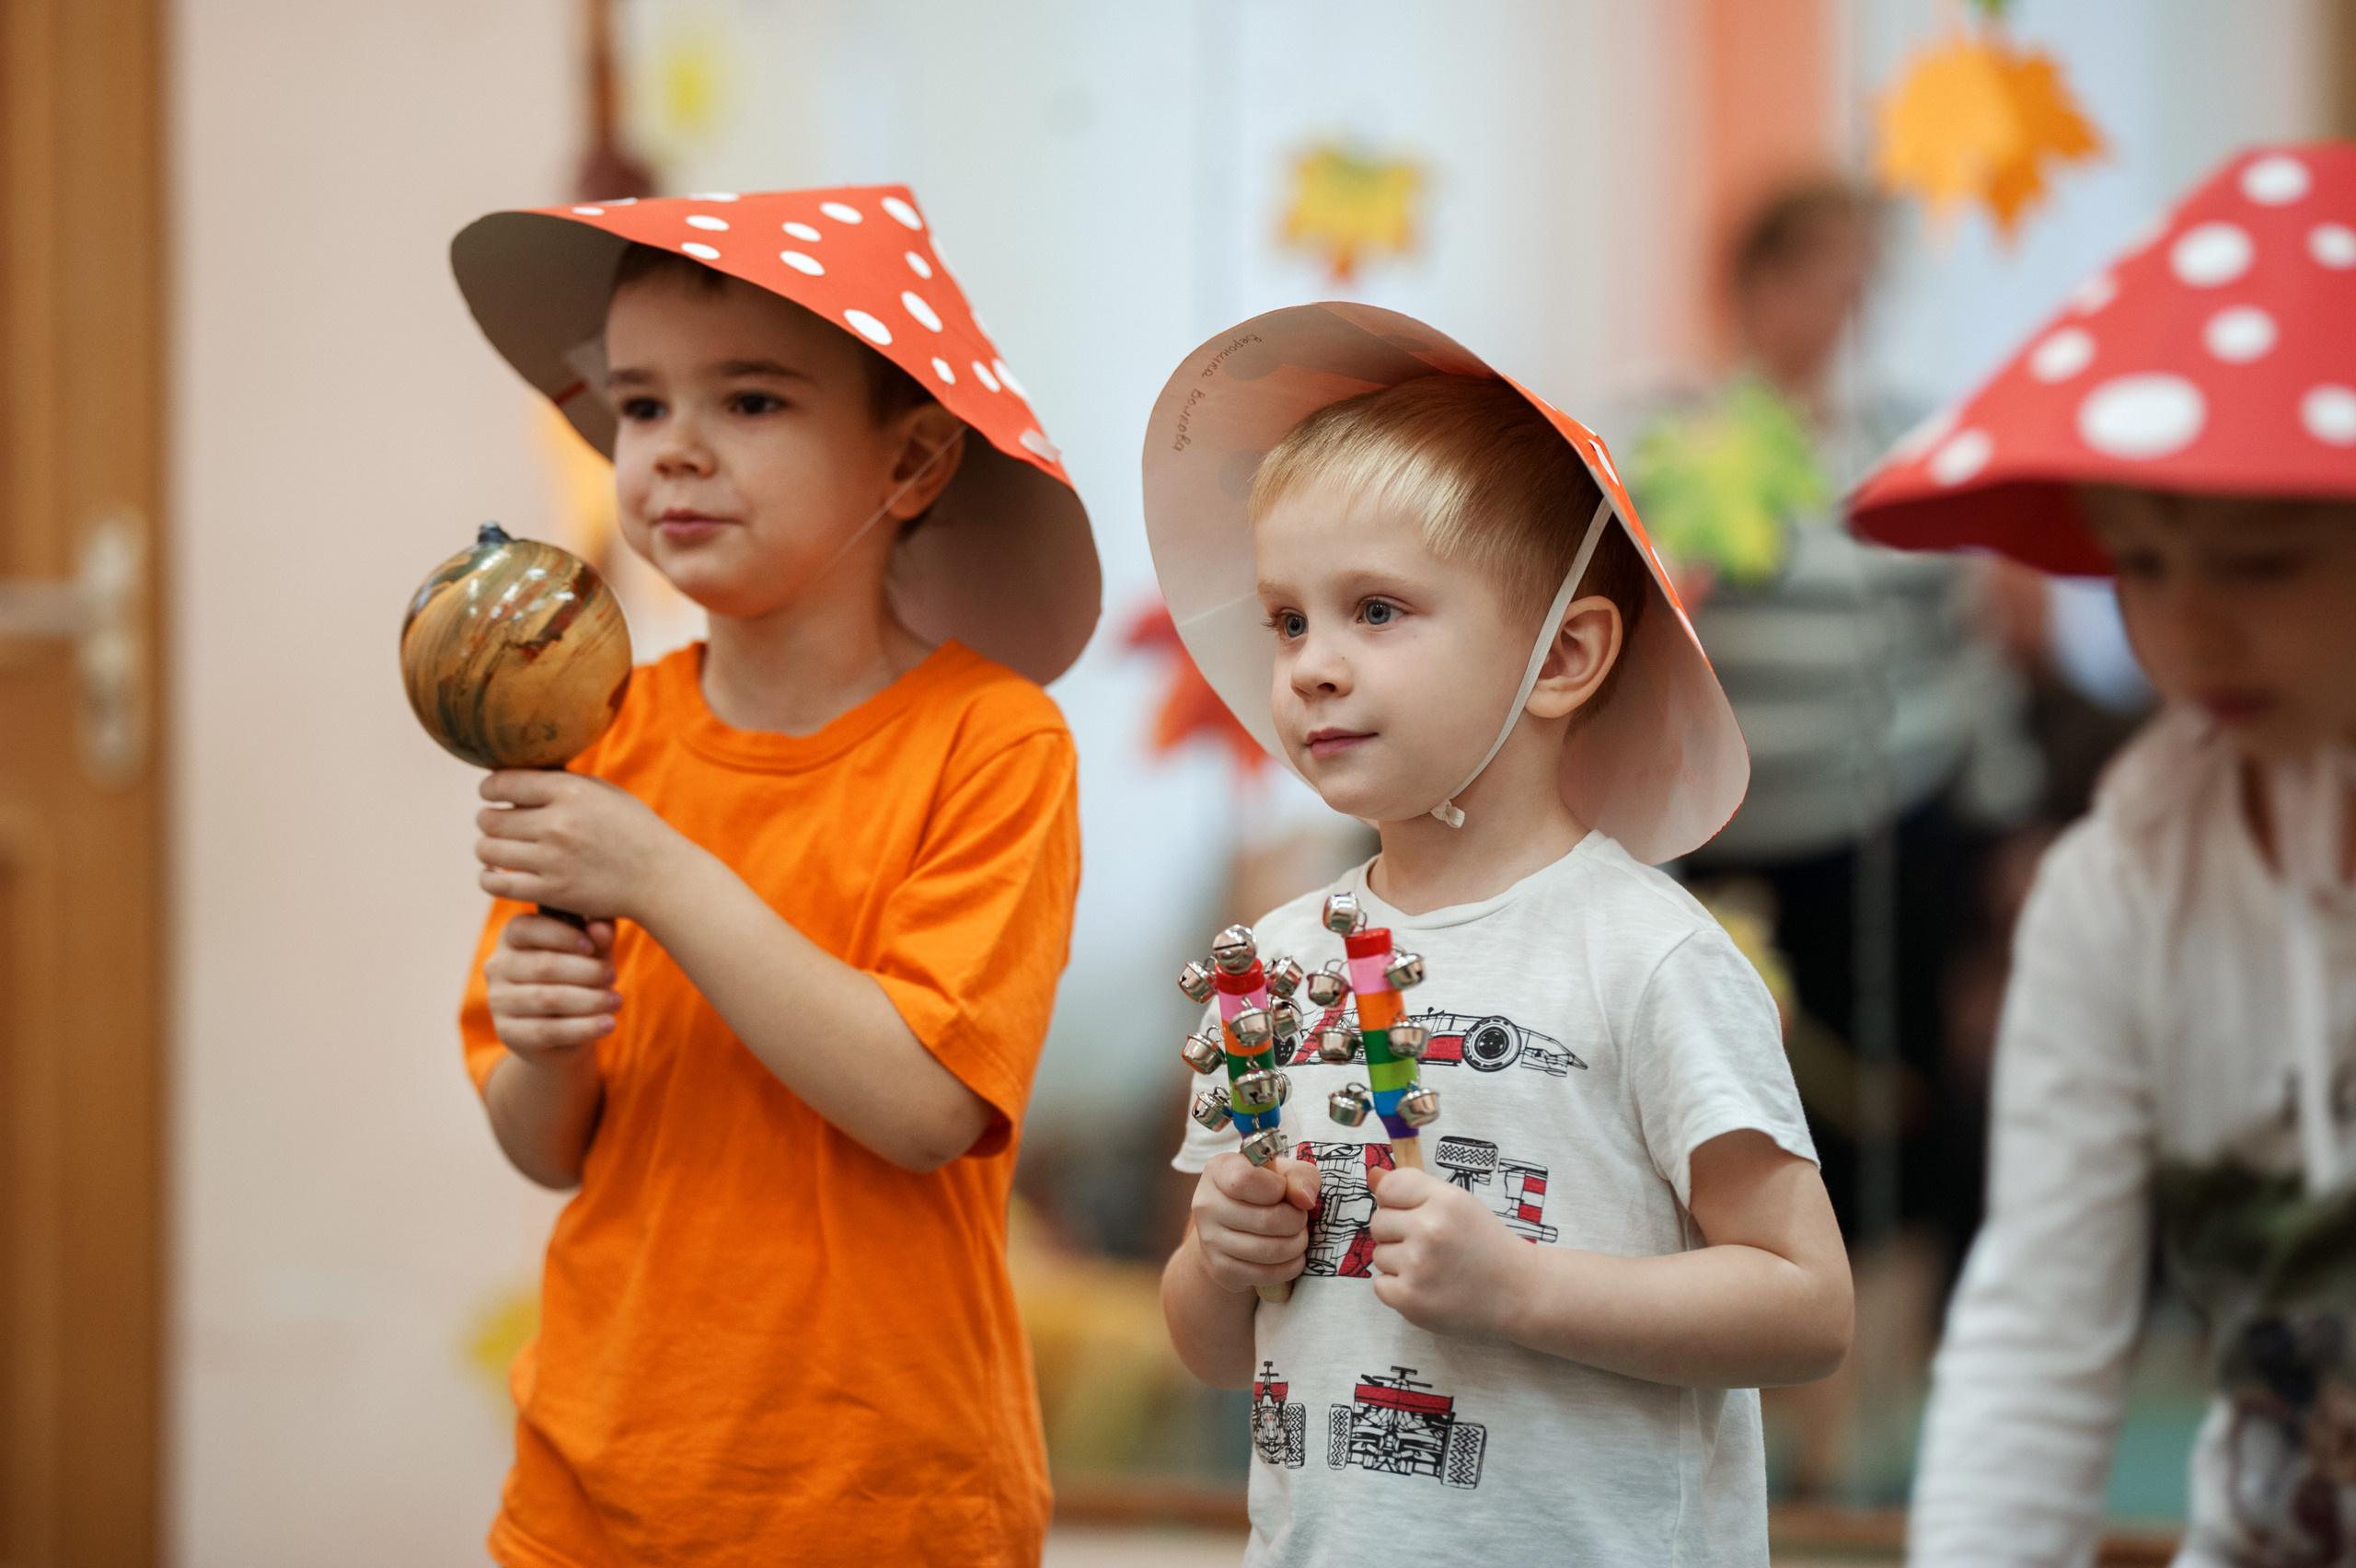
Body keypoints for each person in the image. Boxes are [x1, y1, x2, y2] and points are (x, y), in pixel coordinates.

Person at [444, 187, 1098, 1567]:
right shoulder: (594, 726)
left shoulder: (992, 742)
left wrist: (663, 878)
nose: (673, 453)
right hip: (595, 1484)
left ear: (910, 464)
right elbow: (542, 1146)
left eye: (748, 402)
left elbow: (925, 1103)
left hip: (883, 1505)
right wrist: (549, 1047)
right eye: (639, 405)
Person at [1141, 306, 1852, 1564]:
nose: (1311, 666)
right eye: (1287, 621)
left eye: (1377, 610)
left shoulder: (1648, 957)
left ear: (1566, 655)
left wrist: (1523, 1289)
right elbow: (1208, 1347)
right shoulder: (1274, 963)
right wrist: (1220, 1254)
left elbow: (1805, 1306)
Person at [1846, 144, 2356, 1566]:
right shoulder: (2122, 883)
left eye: (2260, 562)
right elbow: (2038, 1327)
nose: (2186, 632)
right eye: (2139, 560)